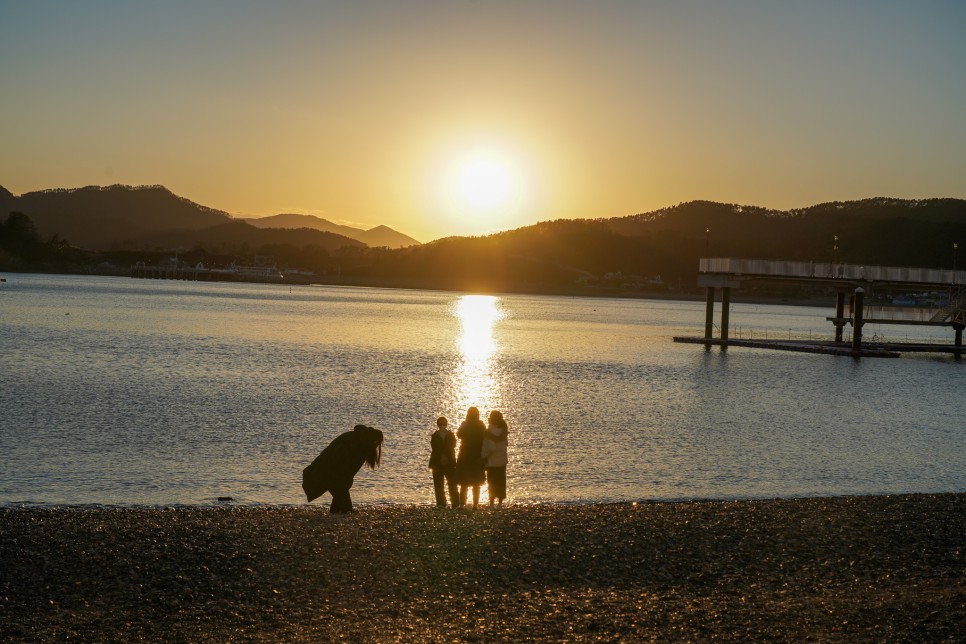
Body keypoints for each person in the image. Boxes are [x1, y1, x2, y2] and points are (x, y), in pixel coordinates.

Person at [302, 424, 383, 513]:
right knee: (341, 491)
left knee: (341, 491)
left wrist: (347, 478)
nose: (376, 446)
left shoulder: (360, 440)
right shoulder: (356, 442)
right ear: (371, 438)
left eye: (378, 444)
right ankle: (342, 510)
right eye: (376, 442)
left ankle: (337, 511)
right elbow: (339, 460)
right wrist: (345, 478)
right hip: (329, 469)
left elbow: (350, 466)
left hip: (333, 470)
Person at [454, 406, 486, 509]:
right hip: (477, 456)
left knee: (464, 483)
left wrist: (464, 425)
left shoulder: (465, 424)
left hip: (465, 455)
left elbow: (459, 435)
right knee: (476, 483)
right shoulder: (481, 425)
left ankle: (462, 504)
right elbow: (485, 439)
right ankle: (475, 505)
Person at [428, 416, 458, 508]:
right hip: (437, 464)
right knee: (438, 485)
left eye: (444, 424)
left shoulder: (450, 435)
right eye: (440, 424)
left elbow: (453, 445)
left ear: (446, 424)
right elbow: (435, 448)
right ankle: (441, 503)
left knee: (452, 484)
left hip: (450, 463)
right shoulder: (435, 435)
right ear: (437, 425)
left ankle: (455, 503)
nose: (442, 426)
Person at [481, 410, 509, 507]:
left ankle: (492, 502)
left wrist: (484, 456)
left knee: (492, 482)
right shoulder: (504, 429)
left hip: (492, 461)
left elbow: (491, 447)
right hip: (502, 460)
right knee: (501, 481)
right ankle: (500, 502)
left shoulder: (490, 430)